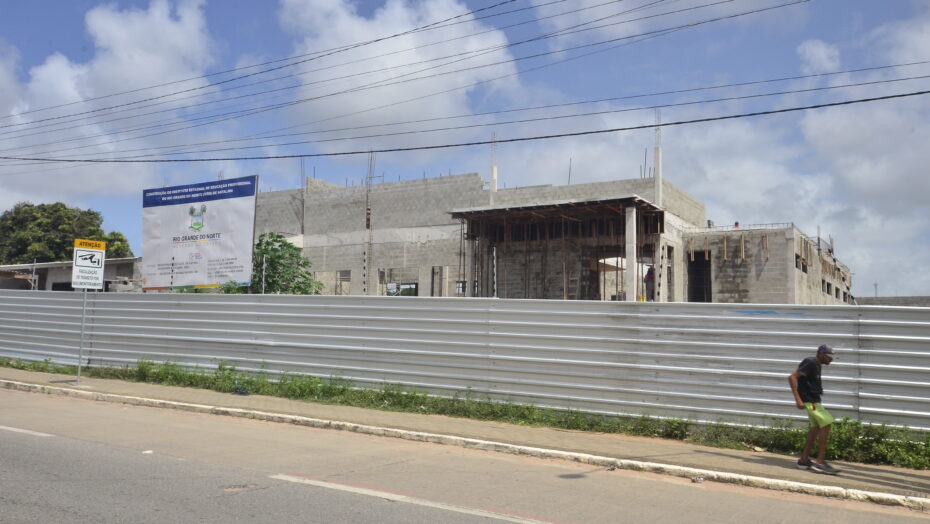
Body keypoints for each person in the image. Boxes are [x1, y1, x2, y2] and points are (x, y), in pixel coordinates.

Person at [788, 344, 840, 475]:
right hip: (810, 401)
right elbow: (792, 377)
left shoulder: (817, 364)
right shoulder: (810, 362)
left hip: (814, 400)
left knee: (816, 427)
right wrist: (798, 399)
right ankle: (820, 462)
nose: (831, 360)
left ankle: (804, 460)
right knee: (827, 423)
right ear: (821, 354)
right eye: (829, 357)